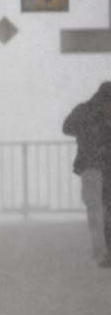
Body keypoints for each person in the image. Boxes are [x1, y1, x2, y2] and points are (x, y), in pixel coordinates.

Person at [63, 82, 111, 267]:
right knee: (103, 209)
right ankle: (104, 253)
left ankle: (101, 253)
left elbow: (67, 128)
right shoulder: (94, 113)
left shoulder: (83, 110)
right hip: (101, 166)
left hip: (91, 167)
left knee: (96, 210)